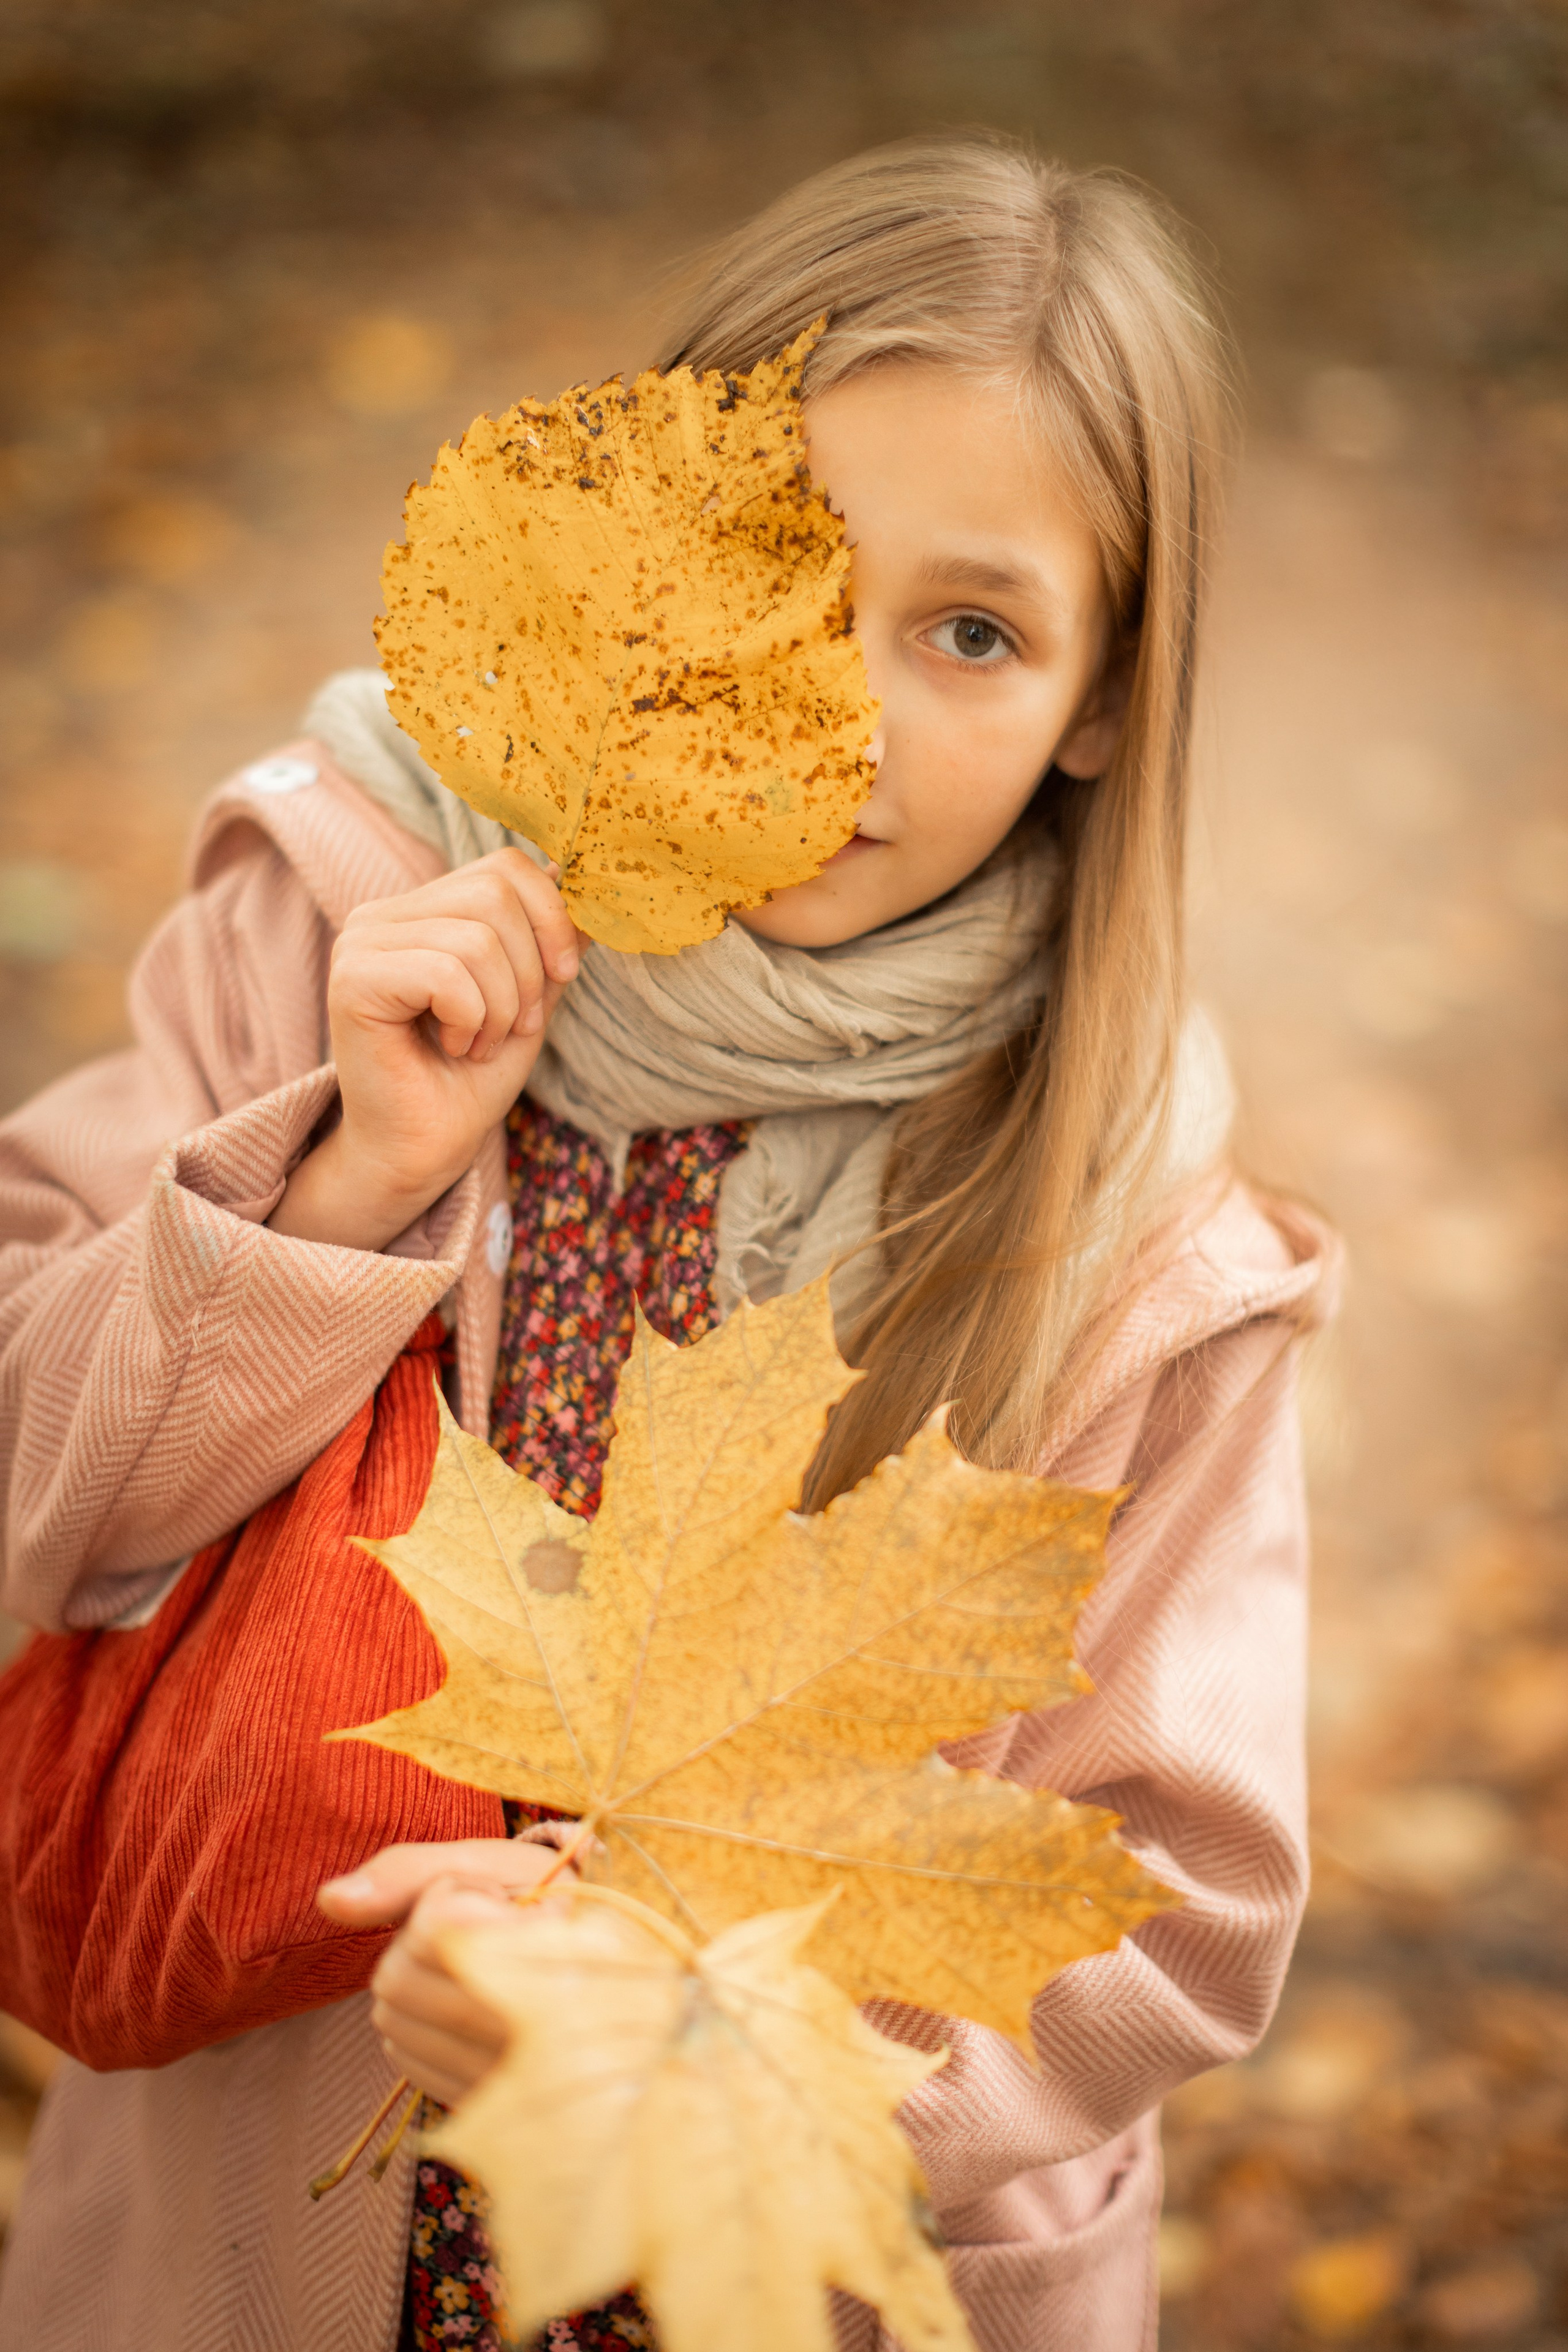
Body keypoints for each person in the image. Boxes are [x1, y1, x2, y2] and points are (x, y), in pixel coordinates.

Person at [0, 136, 1334, 2352]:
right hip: (252, 2244)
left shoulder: (1131, 1233)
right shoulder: (325, 933)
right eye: (780, 576)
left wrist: (683, 2055)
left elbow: (1171, 1911)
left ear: (1105, 703)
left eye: (972, 632)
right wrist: (339, 1186)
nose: (842, 711)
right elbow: (39, 1496)